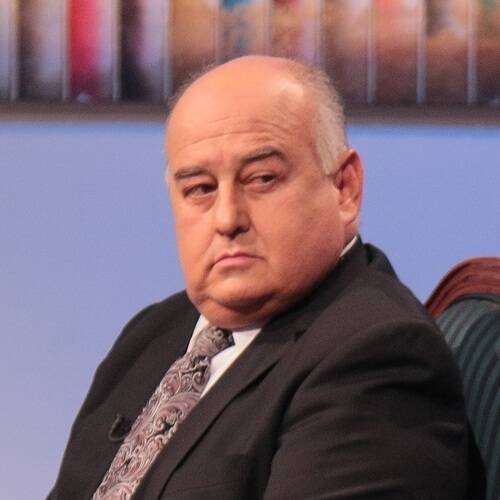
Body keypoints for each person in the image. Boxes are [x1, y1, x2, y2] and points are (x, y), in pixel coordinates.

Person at [49, 56, 479, 499]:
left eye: (261, 179)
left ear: (344, 188)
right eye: (200, 189)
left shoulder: (378, 356)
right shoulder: (152, 334)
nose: (227, 218)